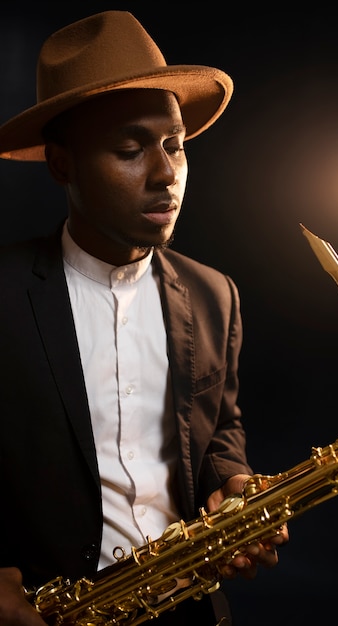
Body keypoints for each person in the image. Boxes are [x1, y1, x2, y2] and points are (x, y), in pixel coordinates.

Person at [0, 10, 289, 626]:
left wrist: (231, 484)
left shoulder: (216, 295)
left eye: (174, 145)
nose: (166, 175)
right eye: (130, 149)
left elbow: (219, 433)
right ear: (61, 164)